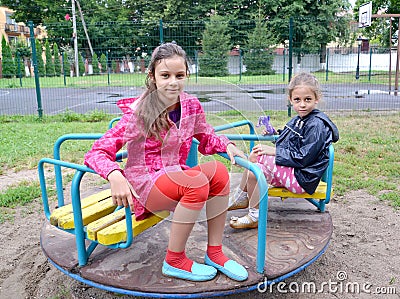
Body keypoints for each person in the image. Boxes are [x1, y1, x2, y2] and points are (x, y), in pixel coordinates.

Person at [84, 42, 248, 282]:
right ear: (152, 77)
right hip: (145, 185)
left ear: (187, 76)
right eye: (165, 75)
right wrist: (114, 174)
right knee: (196, 183)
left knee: (219, 172)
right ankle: (175, 260)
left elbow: (206, 134)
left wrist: (227, 145)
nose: (173, 82)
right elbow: (96, 152)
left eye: (179, 75)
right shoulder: (140, 112)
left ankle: (215, 252)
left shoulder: (190, 105)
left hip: (174, 175)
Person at [229, 72, 339, 229]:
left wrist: (273, 151)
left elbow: (303, 158)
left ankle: (241, 195)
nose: (302, 104)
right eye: (297, 100)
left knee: (259, 156)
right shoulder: (299, 119)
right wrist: (275, 134)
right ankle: (255, 216)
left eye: (307, 99)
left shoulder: (317, 125)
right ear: (291, 100)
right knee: (254, 172)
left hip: (302, 179)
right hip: (292, 173)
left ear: (317, 99)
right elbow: (292, 139)